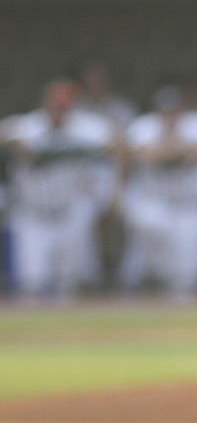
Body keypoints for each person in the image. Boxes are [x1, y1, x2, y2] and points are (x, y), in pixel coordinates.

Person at [2, 80, 116, 296]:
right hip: (33, 214)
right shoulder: (27, 125)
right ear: (46, 103)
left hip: (70, 212)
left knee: (69, 283)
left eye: (65, 106)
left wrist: (114, 192)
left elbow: (118, 144)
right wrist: (15, 142)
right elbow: (5, 132)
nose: (60, 111)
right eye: (56, 105)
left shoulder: (86, 127)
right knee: (31, 282)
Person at [119, 86, 197, 296]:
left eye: (174, 111)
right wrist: (183, 151)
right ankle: (150, 282)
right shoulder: (144, 126)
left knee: (189, 274)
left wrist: (167, 151)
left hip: (188, 204)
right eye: (166, 111)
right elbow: (137, 154)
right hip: (155, 201)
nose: (170, 116)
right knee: (151, 225)